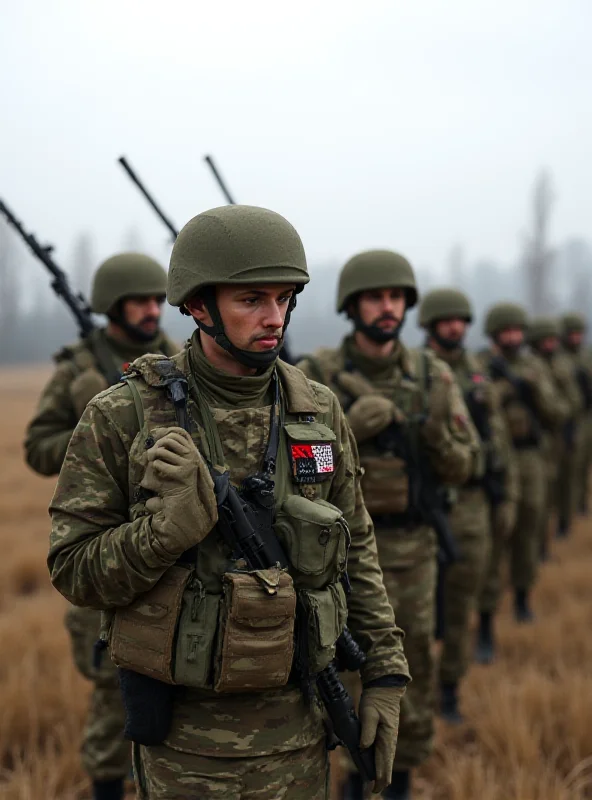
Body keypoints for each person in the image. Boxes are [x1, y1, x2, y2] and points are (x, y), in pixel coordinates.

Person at [48, 206, 410, 800]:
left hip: (301, 722)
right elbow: (73, 568)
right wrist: (163, 534)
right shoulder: (122, 413)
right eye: (252, 300)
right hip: (184, 743)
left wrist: (386, 671)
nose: (275, 318)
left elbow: (357, 549)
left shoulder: (315, 410)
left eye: (285, 298)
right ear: (197, 305)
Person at [297, 251, 479, 799]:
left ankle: (397, 776)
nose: (387, 307)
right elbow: (295, 472)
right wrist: (349, 429)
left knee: (409, 660)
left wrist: (431, 439)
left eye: (396, 298)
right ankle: (348, 773)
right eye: (375, 297)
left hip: (410, 545)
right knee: (329, 665)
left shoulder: (432, 376)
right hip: (333, 552)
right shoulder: (318, 377)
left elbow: (466, 464)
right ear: (351, 306)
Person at [26, 252, 177, 800]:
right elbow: (38, 451)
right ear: (112, 306)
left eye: (158, 300)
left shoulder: (174, 366)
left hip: (165, 544)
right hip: (100, 548)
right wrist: (91, 423)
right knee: (112, 696)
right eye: (139, 301)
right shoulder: (75, 370)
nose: (150, 311)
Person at [418, 289, 516, 712]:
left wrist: (506, 494)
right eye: (447, 320)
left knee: (461, 604)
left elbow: (498, 440)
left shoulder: (480, 375)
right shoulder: (416, 374)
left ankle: (451, 689)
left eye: (461, 320)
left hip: (472, 505)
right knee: (417, 614)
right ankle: (413, 698)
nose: (455, 326)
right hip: (425, 507)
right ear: (430, 325)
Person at [479, 303, 564, 624]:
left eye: (517, 330)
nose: (512, 336)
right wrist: (505, 386)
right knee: (497, 533)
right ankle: (486, 614)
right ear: (494, 333)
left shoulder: (534, 368)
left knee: (529, 529)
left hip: (530, 458)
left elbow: (557, 413)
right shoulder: (483, 366)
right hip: (498, 459)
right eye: (506, 330)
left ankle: (522, 598)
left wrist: (532, 388)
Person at [527, 316, 581, 546]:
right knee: (542, 494)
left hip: (560, 432)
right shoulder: (530, 366)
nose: (549, 344)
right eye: (545, 340)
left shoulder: (562, 366)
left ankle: (564, 523)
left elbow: (573, 402)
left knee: (566, 479)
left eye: (552, 340)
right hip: (537, 438)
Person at [561, 312, 592, 514]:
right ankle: (568, 509)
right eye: (571, 334)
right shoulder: (560, 358)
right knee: (571, 467)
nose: (575, 338)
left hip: (587, 416)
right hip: (569, 419)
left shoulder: (586, 356)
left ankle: (581, 502)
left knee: (584, 464)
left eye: (578, 334)